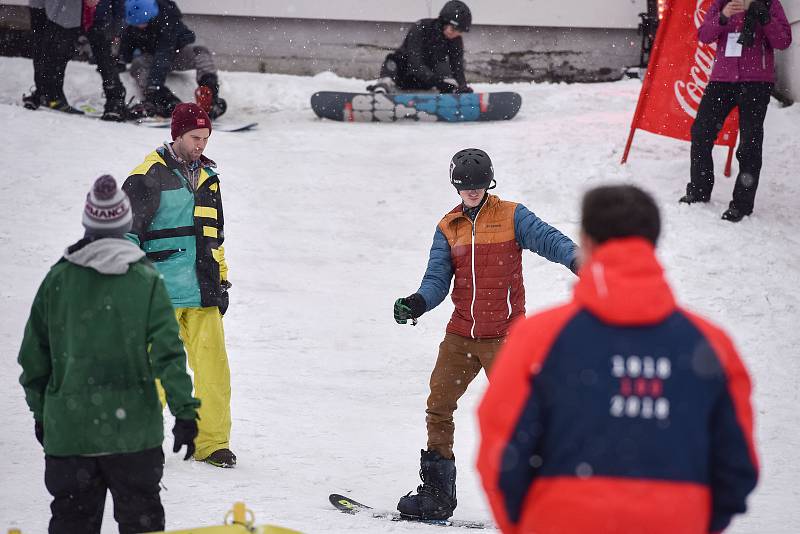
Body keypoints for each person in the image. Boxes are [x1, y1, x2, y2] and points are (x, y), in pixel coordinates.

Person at [477, 185, 759, 534]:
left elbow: (500, 449)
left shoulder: (538, 339)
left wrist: (527, 524)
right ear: (653, 241)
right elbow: (737, 466)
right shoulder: (711, 346)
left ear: (588, 242)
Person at [393, 148, 579, 520]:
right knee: (439, 406)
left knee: (521, 416)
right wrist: (417, 302)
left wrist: (579, 260)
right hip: (461, 335)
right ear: (456, 187)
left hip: (506, 337)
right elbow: (436, 279)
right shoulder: (449, 226)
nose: (472, 192)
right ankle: (437, 495)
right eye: (465, 187)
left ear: (488, 183)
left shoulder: (512, 216)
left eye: (478, 186)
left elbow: (550, 240)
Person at [18, 174, 200, 534]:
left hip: (71, 435)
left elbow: (32, 360)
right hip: (133, 437)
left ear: (88, 224)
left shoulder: (58, 280)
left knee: (72, 526)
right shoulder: (145, 280)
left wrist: (44, 415)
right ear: (124, 224)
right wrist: (184, 413)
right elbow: (169, 353)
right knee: (141, 526)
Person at [122, 103, 236, 468]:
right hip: (160, 294)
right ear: (177, 135)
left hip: (203, 292)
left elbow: (213, 237)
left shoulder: (209, 178)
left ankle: (212, 444)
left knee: (214, 373)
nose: (201, 144)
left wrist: (221, 279)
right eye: (194, 137)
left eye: (205, 138)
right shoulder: (146, 177)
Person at [680, 0, 791, 222]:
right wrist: (723, 16)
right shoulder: (721, 2)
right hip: (722, 79)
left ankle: (741, 204)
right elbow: (704, 35)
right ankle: (699, 190)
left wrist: (762, 15)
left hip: (756, 82)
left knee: (749, 144)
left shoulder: (769, 3)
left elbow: (783, 41)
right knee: (701, 133)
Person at [121, 0, 227, 118]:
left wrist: (155, 83)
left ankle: (209, 95)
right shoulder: (133, 24)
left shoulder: (168, 20)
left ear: (152, 16)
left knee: (201, 52)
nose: (138, 26)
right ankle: (163, 99)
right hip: (151, 57)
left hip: (176, 54)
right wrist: (120, 60)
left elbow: (163, 55)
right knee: (138, 65)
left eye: (142, 23)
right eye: (135, 24)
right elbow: (126, 47)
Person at [369, 0, 473, 94]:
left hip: (427, 80)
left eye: (460, 31)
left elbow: (457, 66)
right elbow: (415, 63)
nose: (455, 34)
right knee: (392, 61)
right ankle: (383, 87)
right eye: (453, 29)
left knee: (447, 67)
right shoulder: (421, 28)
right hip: (404, 75)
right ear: (443, 23)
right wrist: (437, 82)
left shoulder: (455, 39)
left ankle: (450, 95)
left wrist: (462, 86)